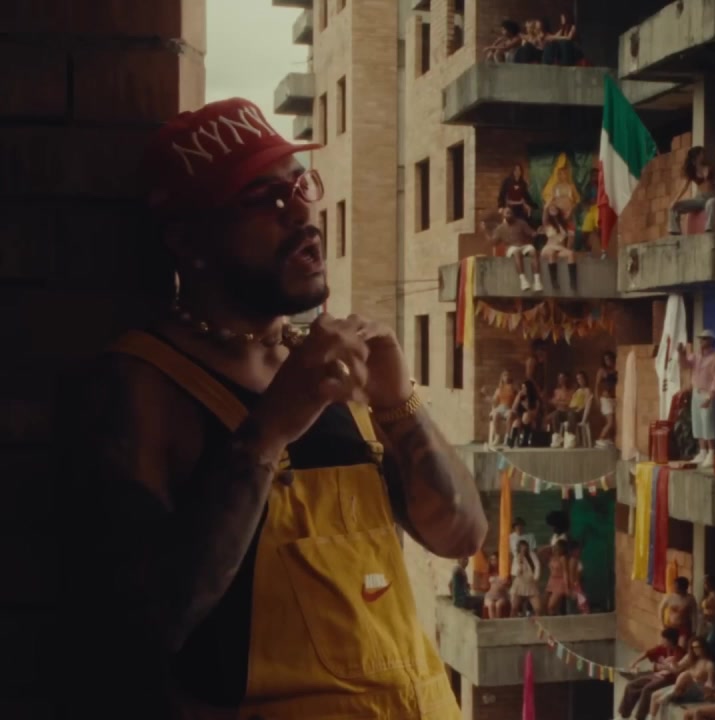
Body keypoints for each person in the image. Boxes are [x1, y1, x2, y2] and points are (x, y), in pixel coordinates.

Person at [61, 98, 486, 718]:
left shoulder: (331, 365)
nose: (302, 213)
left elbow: (461, 536)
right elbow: (146, 625)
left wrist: (401, 404)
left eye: (300, 186)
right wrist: (269, 430)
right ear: (186, 238)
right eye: (263, 199)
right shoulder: (141, 386)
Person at [678, 330, 715, 469]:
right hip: (697, 392)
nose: (701, 341)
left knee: (708, 423)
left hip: (708, 393)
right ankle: (702, 450)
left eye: (705, 339)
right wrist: (681, 354)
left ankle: (711, 452)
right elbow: (685, 365)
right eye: (701, 339)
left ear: (711, 341)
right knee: (698, 422)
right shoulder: (696, 356)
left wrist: (711, 397)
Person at [619, 628, 688, 720]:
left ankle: (640, 717)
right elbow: (647, 653)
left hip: (669, 679)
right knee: (631, 685)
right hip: (656, 675)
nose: (662, 641)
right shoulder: (661, 648)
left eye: (664, 639)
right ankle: (624, 715)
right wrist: (634, 662)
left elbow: (677, 670)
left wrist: (662, 669)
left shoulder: (679, 653)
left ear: (670, 640)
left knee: (647, 689)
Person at [668, 146, 715, 236]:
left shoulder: (709, 167)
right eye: (701, 153)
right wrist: (675, 200)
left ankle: (710, 229)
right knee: (675, 207)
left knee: (711, 203)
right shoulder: (692, 171)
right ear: (696, 156)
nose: (703, 155)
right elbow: (684, 187)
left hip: (711, 196)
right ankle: (675, 231)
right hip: (699, 199)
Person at [652, 637, 715, 715]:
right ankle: (653, 717)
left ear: (704, 647)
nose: (695, 650)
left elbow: (710, 683)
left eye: (698, 647)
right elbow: (676, 669)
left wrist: (709, 692)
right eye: (693, 648)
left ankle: (670, 694)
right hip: (682, 688)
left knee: (686, 674)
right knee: (654, 695)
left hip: (698, 691)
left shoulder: (709, 664)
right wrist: (673, 662)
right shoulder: (690, 658)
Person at [484, 206, 542, 292]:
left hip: (524, 245)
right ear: (503, 215)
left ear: (513, 214)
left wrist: (535, 233)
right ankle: (523, 280)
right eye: (507, 213)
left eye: (510, 213)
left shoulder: (521, 223)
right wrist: (485, 231)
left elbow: (531, 232)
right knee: (516, 251)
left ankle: (537, 281)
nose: (509, 215)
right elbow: (493, 242)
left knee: (532, 250)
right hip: (511, 248)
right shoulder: (500, 228)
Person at [539, 203, 577, 290]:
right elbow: (545, 211)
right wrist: (550, 203)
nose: (553, 209)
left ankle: (573, 282)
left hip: (560, 248)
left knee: (571, 254)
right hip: (549, 247)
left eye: (555, 208)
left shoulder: (563, 223)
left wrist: (571, 205)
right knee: (551, 253)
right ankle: (554, 282)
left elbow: (570, 211)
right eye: (551, 209)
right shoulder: (547, 223)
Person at [660, 576, 697, 648]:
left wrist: (694, 629)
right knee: (668, 645)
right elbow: (661, 610)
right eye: (674, 586)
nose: (674, 588)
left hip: (684, 627)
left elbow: (694, 614)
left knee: (681, 646)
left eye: (676, 586)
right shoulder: (669, 597)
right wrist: (662, 624)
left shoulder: (690, 599)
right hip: (671, 626)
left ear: (683, 588)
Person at [510, 539, 543, 615]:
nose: (523, 549)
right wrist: (520, 565)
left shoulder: (532, 555)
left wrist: (536, 578)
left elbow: (537, 566)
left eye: (525, 547)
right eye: (521, 547)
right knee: (514, 608)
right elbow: (514, 572)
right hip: (520, 583)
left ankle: (535, 621)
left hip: (530, 582)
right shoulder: (516, 557)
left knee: (538, 609)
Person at [507, 379, 542, 447]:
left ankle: (525, 441)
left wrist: (526, 407)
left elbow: (535, 413)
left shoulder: (535, 399)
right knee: (516, 422)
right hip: (521, 418)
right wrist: (518, 397)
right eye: (522, 388)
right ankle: (512, 441)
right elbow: (513, 408)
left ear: (529, 389)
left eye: (524, 388)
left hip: (531, 419)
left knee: (526, 415)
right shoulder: (520, 397)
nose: (523, 390)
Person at [488, 369, 517, 447]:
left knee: (510, 415)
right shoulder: (499, 389)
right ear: (502, 378)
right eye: (505, 375)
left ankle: (507, 438)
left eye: (508, 375)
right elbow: (494, 400)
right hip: (501, 407)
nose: (506, 377)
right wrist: (487, 396)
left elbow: (517, 400)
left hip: (509, 408)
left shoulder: (514, 388)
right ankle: (497, 437)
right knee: (495, 415)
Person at [595, 350, 618, 447]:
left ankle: (609, 439)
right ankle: (601, 438)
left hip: (614, 398)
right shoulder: (602, 371)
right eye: (606, 359)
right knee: (610, 422)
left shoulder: (616, 369)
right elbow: (597, 386)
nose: (608, 361)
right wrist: (597, 399)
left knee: (614, 422)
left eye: (609, 359)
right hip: (605, 398)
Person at [547, 372, 574, 447]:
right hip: (559, 412)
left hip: (568, 412)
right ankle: (557, 436)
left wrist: (559, 402)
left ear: (566, 379)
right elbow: (553, 401)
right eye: (559, 378)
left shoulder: (571, 391)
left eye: (562, 378)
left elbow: (570, 403)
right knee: (555, 414)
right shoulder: (557, 391)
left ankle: (570, 436)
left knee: (571, 414)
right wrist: (562, 402)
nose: (560, 380)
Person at [543, 540, 570, 615]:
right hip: (551, 580)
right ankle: (551, 618)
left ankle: (554, 619)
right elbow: (541, 551)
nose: (555, 547)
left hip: (560, 581)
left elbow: (565, 572)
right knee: (544, 603)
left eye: (557, 546)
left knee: (551, 605)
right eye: (555, 546)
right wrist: (549, 546)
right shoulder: (552, 557)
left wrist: (567, 586)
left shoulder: (563, 558)